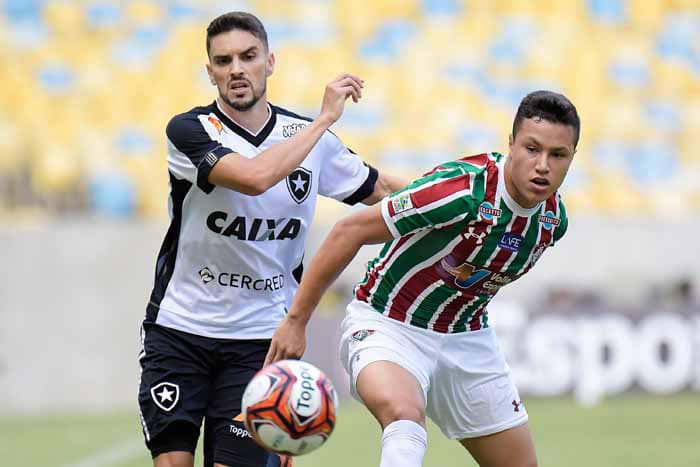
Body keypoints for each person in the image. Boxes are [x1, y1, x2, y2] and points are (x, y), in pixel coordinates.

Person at [137, 11, 406, 467]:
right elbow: (256, 177)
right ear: (211, 72)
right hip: (180, 331)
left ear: (270, 62)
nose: (236, 69)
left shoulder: (305, 138)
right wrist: (321, 121)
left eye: (248, 56)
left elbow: (382, 192)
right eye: (223, 61)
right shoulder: (189, 131)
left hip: (262, 340)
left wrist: (459, 199)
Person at [268, 90, 580, 467]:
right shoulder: (462, 191)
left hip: (467, 338)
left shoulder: (552, 222)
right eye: (532, 149)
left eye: (557, 155)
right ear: (511, 143)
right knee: (404, 418)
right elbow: (347, 232)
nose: (542, 165)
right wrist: (297, 321)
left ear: (571, 158)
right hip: (388, 323)